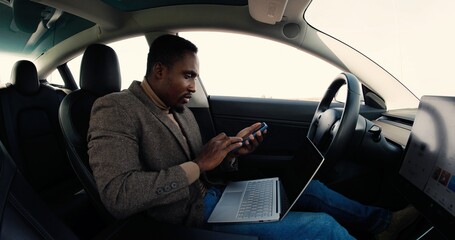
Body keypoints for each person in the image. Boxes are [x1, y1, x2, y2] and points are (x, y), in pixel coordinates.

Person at [87, 34, 417, 239]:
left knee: (311, 188)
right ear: (159, 71)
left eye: (195, 77)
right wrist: (200, 165)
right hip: (185, 218)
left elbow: (203, 165)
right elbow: (119, 197)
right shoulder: (116, 109)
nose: (192, 86)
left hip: (216, 197)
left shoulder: (180, 110)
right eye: (188, 76)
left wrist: (231, 154)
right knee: (322, 229)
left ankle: (383, 223)